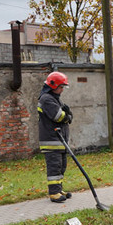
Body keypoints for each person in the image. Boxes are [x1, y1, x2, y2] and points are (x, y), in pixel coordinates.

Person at [38, 72, 73, 203]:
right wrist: (68, 116)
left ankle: (58, 189)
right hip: (52, 141)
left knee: (61, 166)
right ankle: (54, 193)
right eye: (61, 87)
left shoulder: (54, 97)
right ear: (53, 85)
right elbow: (58, 116)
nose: (62, 89)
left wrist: (67, 114)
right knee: (54, 167)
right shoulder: (46, 99)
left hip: (59, 141)